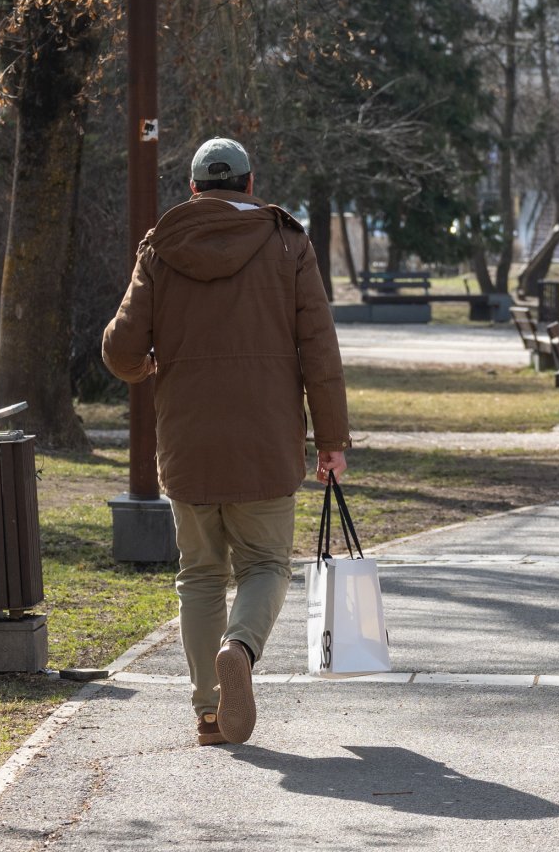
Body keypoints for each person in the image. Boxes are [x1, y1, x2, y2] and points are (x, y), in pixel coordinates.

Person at [101, 137, 350, 747]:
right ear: (249, 184)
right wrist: (331, 439)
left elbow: (122, 348)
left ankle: (210, 713)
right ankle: (240, 647)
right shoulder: (287, 242)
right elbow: (319, 348)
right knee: (264, 564)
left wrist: (145, 367)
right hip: (265, 440)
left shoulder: (160, 247)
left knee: (200, 575)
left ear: (193, 189)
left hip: (187, 441)